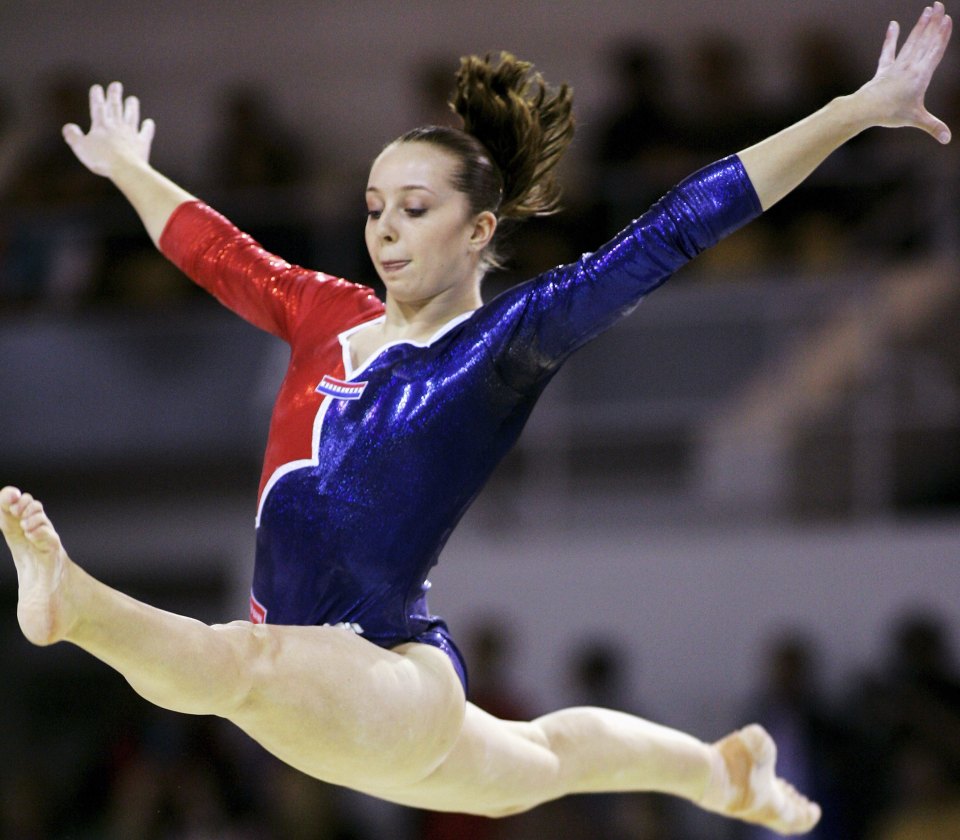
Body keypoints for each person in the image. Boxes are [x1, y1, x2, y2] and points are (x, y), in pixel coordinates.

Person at [1, 4, 952, 834]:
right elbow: (220, 252)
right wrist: (129, 167)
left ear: (480, 230)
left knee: (239, 661)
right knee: (541, 762)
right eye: (375, 208)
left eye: (414, 209)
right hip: (330, 710)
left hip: (384, 674)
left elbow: (675, 230)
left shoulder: (505, 345)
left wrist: (853, 111)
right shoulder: (323, 312)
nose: (384, 230)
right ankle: (721, 773)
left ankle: (72, 603)